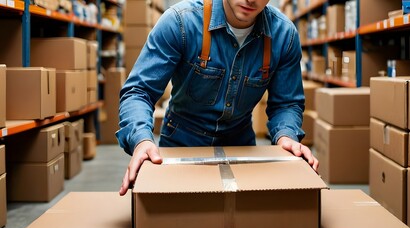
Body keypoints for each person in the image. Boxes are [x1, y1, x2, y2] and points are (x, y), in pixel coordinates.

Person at [116, 0, 319, 196]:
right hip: (181, 143)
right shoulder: (181, 22)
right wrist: (141, 140)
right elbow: (139, 91)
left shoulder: (284, 36)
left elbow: (287, 103)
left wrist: (285, 136)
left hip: (241, 146)